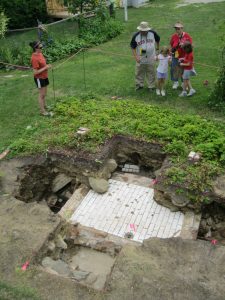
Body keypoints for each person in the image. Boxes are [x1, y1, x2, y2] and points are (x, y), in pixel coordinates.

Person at [130, 21, 160, 91]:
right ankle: (139, 85)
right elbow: (133, 47)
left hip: (151, 56)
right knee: (139, 71)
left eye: (145, 30)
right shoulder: (136, 36)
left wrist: (157, 49)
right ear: (139, 29)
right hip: (141, 56)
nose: (143, 32)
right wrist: (136, 57)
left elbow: (158, 40)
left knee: (151, 71)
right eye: (142, 30)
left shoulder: (152, 33)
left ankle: (151, 86)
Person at [29, 41, 52, 116]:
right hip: (39, 78)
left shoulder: (40, 54)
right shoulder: (34, 58)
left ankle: (45, 106)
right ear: (36, 48)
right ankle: (42, 111)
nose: (42, 48)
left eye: (42, 46)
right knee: (41, 95)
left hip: (44, 76)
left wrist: (46, 66)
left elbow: (43, 65)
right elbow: (35, 72)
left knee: (44, 94)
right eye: (41, 47)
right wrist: (46, 67)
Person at [170, 21, 192, 90]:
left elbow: (190, 45)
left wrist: (184, 45)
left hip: (184, 56)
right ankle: (175, 82)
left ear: (182, 28)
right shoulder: (174, 36)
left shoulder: (187, 36)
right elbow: (171, 45)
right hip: (175, 55)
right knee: (175, 68)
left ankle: (183, 83)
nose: (177, 30)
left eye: (179, 29)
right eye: (176, 29)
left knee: (183, 69)